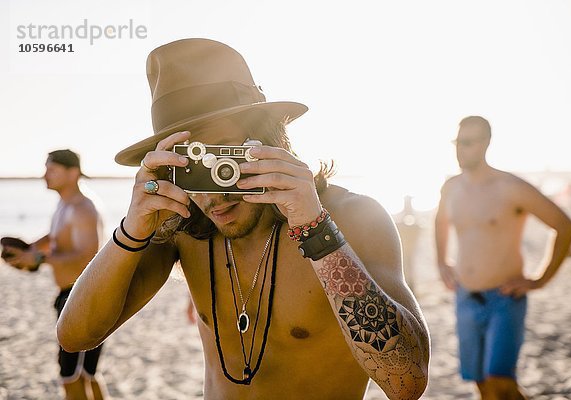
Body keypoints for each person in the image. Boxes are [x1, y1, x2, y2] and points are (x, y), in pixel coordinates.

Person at [57, 38, 430, 399]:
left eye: (224, 164)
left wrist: (316, 229)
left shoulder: (352, 218)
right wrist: (131, 230)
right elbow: (76, 336)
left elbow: (405, 383)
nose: (212, 195)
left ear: (266, 137)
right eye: (191, 170)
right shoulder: (182, 228)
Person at [435, 116, 571, 400]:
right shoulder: (451, 187)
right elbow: (441, 223)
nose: (459, 149)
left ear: (486, 143)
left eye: (467, 143)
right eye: (456, 142)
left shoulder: (510, 187)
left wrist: (540, 279)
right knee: (482, 385)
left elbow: (565, 226)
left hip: (504, 299)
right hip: (465, 298)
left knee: (500, 383)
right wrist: (442, 262)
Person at [1, 149, 109, 400]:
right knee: (86, 374)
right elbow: (56, 239)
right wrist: (29, 250)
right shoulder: (65, 203)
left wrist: (38, 258)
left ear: (72, 173)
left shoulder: (83, 209)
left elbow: (87, 257)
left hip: (84, 298)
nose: (44, 175)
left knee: (70, 378)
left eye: (51, 169)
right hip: (73, 296)